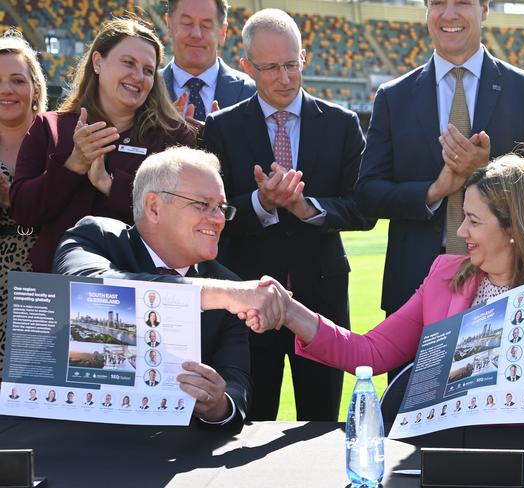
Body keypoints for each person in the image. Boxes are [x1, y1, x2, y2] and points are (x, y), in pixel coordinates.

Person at [248, 155, 524, 431]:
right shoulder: (444, 274)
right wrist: (291, 312)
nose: (461, 230)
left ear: (515, 230)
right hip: (444, 452)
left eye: (474, 221)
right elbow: (368, 351)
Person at [354, 0, 524, 382]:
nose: (449, 14)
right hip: (415, 290)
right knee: (410, 424)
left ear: (485, 8)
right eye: (438, 3)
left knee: (501, 429)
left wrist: (486, 172)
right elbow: (367, 192)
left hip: (509, 289)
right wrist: (435, 190)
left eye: (463, 2)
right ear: (426, 10)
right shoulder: (393, 95)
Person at [203, 8, 374, 422]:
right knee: (250, 424)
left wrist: (306, 207)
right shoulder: (221, 128)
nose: (284, 78)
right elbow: (211, 214)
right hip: (248, 302)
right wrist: (263, 203)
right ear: (246, 67)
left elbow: (363, 208)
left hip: (321, 299)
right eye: (271, 67)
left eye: (292, 64)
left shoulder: (342, 124)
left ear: (304, 58)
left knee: (320, 425)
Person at [54, 146, 286, 431]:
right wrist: (222, 295)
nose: (218, 218)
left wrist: (219, 405)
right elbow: (86, 287)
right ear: (154, 207)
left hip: (172, 454)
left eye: (221, 207)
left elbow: (236, 381)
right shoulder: (96, 237)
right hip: (78, 439)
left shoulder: (226, 285)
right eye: (202, 204)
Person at [10, 17, 195, 273]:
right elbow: (23, 211)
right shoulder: (49, 126)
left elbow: (181, 219)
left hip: (143, 287)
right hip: (59, 286)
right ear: (98, 62)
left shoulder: (172, 138)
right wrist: (73, 165)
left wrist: (110, 185)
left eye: (148, 70)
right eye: (128, 63)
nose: (138, 76)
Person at [0, 31, 47, 376]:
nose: (7, 90)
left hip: (44, 284)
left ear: (35, 88)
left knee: (33, 384)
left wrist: (13, 199)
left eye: (17, 80)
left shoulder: (58, 141)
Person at [162, 0, 255, 125]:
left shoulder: (252, 93)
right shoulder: (147, 90)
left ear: (222, 32)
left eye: (206, 25)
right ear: (169, 25)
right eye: (187, 23)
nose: (196, 34)